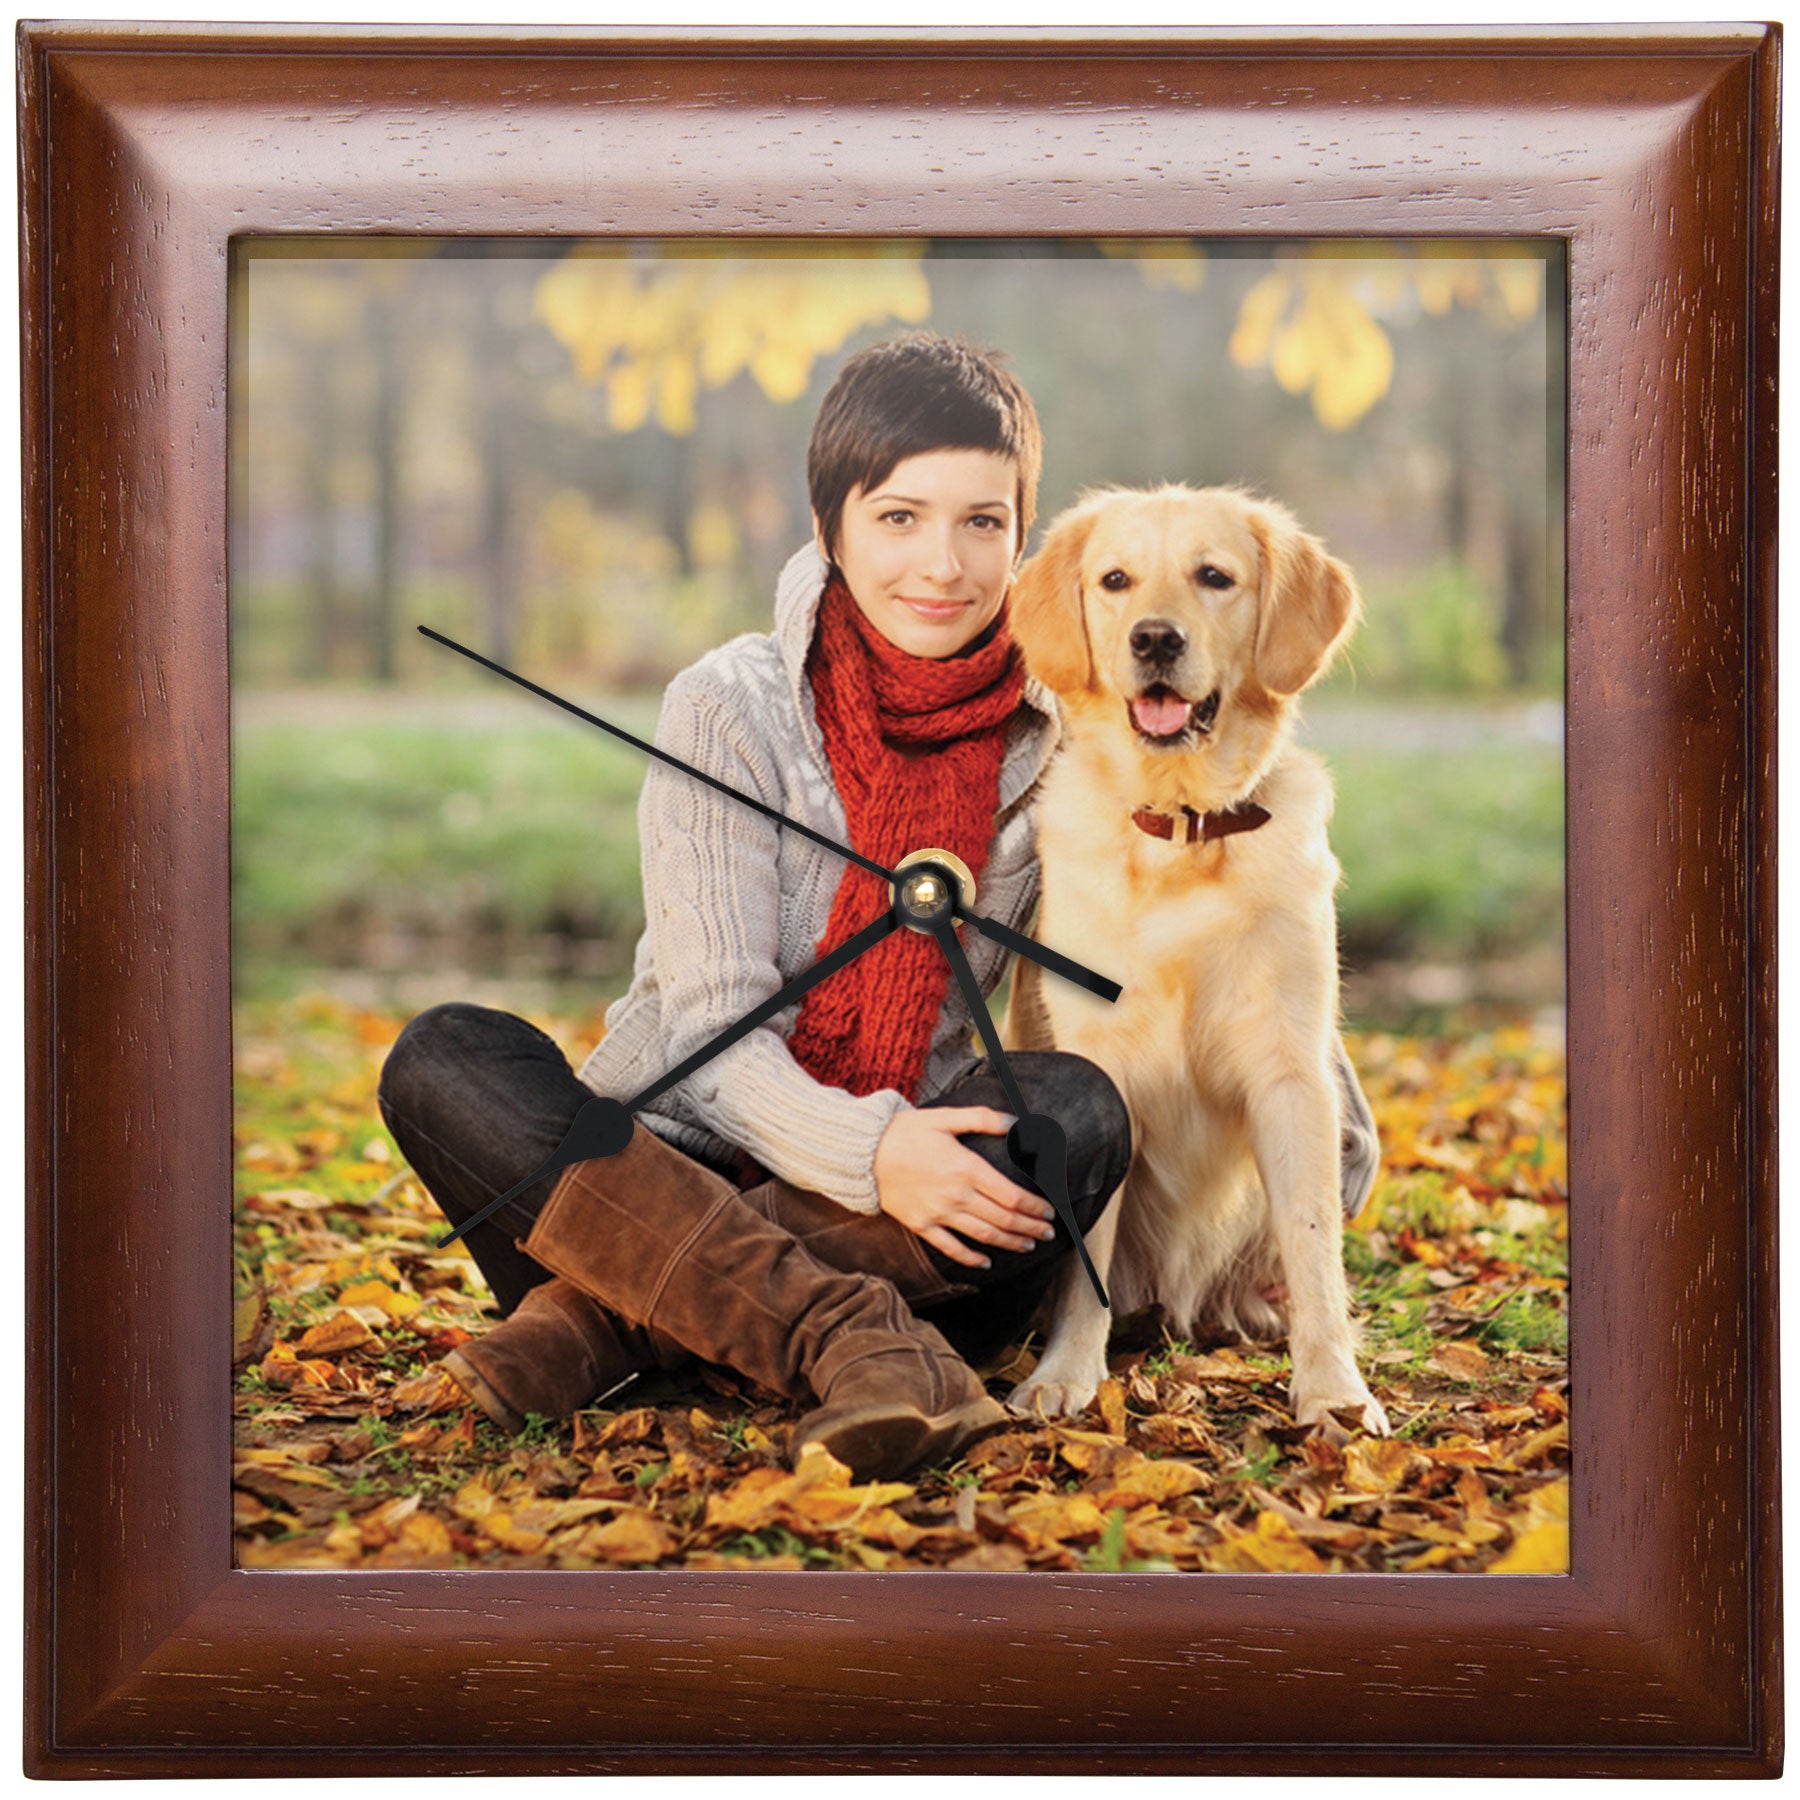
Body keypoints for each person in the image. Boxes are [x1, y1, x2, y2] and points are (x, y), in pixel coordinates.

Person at [378, 332, 1376, 1481]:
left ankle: (602, 1330)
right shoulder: (727, 707)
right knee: (449, 1059)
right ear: (829, 528)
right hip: (666, 1172)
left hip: (919, 1227)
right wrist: (871, 1151)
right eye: (900, 517)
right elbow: (709, 1037)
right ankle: (850, 1344)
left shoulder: (1073, 720)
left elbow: (1217, 966)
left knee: (1076, 1108)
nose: (942, 565)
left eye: (981, 523)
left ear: (1018, 537)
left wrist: (1325, 1161)